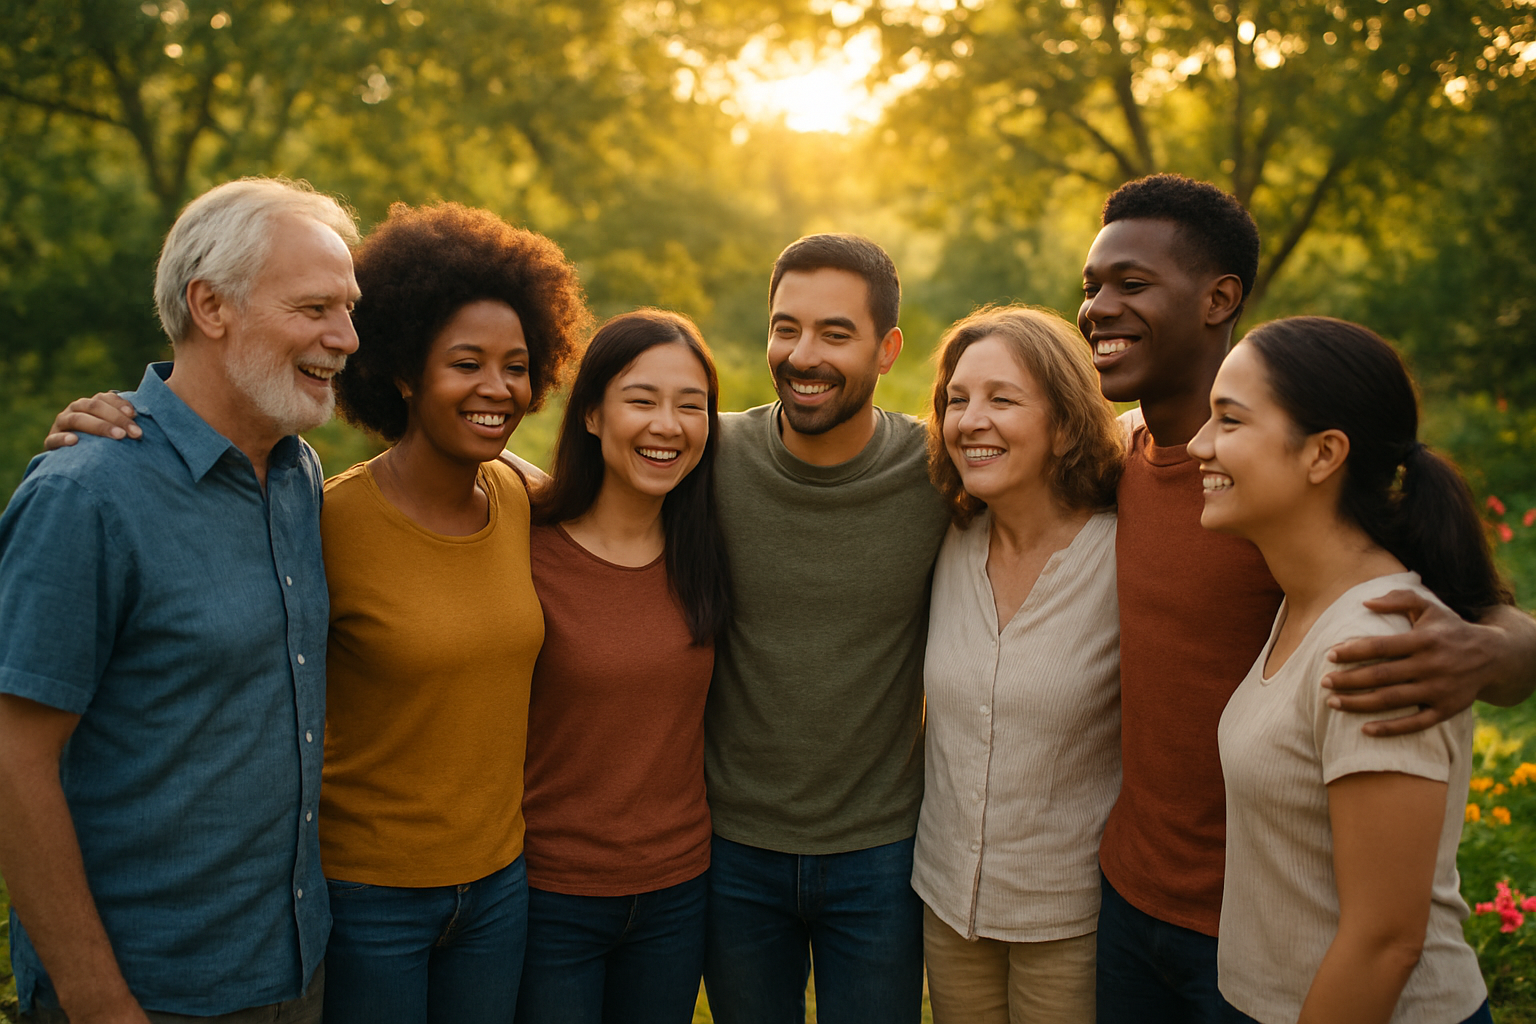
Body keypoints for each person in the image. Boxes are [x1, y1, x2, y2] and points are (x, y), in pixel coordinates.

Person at [1079, 173, 1536, 1023]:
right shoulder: (1122, 458)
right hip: (1131, 899)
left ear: (1219, 299)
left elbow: (1472, 616)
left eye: (1131, 284)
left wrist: (1492, 648)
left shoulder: (1289, 502)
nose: (1099, 307)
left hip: (1275, 929)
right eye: (1092, 286)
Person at [0, 177, 359, 1022]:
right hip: (145, 993)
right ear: (211, 305)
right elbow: (13, 762)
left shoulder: (297, 471)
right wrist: (98, 1000)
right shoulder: (86, 494)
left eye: (349, 309)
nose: (345, 338)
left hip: (294, 969)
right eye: (315, 309)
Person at [319, 201, 586, 1023]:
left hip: (500, 889)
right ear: (403, 370)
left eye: (515, 365)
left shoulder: (522, 494)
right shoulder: (327, 521)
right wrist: (123, 426)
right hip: (368, 898)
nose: (496, 389)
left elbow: (634, 491)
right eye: (466, 363)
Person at [1190, 316, 1496, 1024]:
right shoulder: (1308, 601)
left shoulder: (1376, 643)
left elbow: (1385, 942)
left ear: (1323, 453)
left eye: (1229, 421)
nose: (1201, 444)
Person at [701, 233, 952, 1024]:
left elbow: (1077, 454)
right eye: (786, 327)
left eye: (835, 333)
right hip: (730, 847)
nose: (802, 354)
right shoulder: (709, 456)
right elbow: (586, 473)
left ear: (888, 349)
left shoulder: (940, 472)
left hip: (880, 853)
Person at [517, 309, 731, 1024]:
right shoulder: (522, 547)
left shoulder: (709, 550)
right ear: (591, 415)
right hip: (552, 896)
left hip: (678, 893)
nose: (667, 425)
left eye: (690, 405)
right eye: (641, 400)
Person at [913, 306, 1123, 1024]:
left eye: (1002, 399)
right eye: (956, 400)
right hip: (945, 902)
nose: (972, 420)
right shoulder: (947, 539)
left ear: (1064, 424)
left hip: (1069, 919)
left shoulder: (1121, 553)